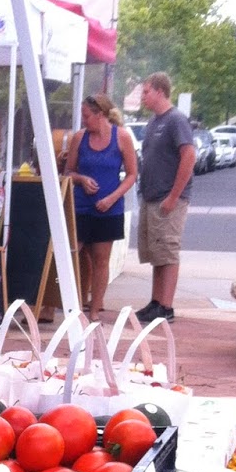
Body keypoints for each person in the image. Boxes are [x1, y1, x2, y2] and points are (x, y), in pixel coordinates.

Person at [64, 93, 138, 320]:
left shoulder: (121, 137)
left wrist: (112, 198)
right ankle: (68, 302)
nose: (84, 120)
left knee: (101, 259)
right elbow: (68, 171)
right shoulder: (79, 138)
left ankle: (95, 309)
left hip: (109, 208)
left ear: (100, 115)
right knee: (71, 254)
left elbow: (132, 174)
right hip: (81, 206)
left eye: (87, 116)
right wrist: (81, 179)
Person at [134, 72, 196, 324]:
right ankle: (156, 302)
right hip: (151, 197)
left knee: (167, 250)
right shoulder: (153, 122)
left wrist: (173, 196)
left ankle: (166, 307)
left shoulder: (176, 120)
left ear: (160, 91)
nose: (143, 96)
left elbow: (189, 156)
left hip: (168, 198)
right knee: (156, 252)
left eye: (146, 91)